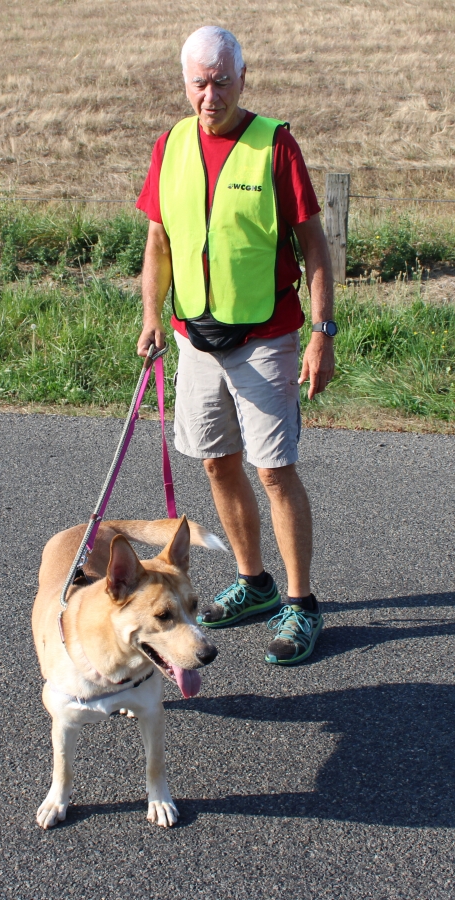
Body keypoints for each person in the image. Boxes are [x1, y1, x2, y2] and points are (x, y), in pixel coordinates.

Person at [136, 25, 336, 665]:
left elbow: (315, 248)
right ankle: (254, 584)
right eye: (199, 81)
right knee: (217, 462)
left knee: (274, 470)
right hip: (195, 337)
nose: (210, 93)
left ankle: (300, 607)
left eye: (222, 80)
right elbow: (158, 243)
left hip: (267, 338)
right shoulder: (169, 146)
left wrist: (321, 334)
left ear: (241, 79)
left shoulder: (274, 145)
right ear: (185, 82)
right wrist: (150, 317)